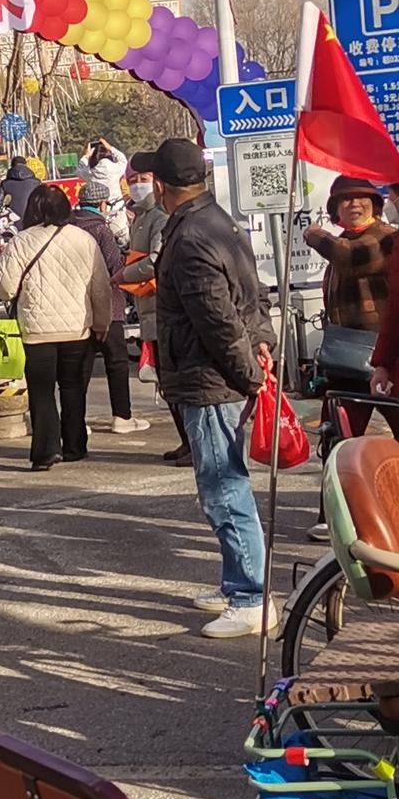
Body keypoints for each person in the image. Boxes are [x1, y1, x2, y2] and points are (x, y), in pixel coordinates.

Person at [151, 138, 269, 639]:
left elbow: (218, 320)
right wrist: (259, 345)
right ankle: (235, 580)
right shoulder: (218, 221)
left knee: (224, 489)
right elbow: (255, 297)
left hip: (210, 380)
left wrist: (250, 374)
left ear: (160, 186)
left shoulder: (191, 237)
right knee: (222, 486)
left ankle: (251, 596)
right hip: (216, 376)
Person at [0, 186, 113, 472]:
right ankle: (75, 445)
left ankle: (46, 451)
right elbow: (100, 287)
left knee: (41, 391)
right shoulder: (83, 239)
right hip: (77, 328)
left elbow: (5, 288)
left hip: (37, 331)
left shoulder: (21, 242)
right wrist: (102, 322)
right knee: (73, 387)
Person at [305, 179, 399, 440]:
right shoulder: (343, 241)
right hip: (345, 361)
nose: (354, 203)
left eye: (362, 197)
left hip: (385, 360)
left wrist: (313, 234)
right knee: (337, 439)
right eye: (346, 199)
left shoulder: (387, 238)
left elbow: (350, 256)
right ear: (335, 209)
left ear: (375, 205)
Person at [124, 151, 189, 464]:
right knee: (167, 382)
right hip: (148, 307)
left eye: (144, 179)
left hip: (162, 308)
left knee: (175, 382)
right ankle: (186, 441)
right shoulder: (140, 216)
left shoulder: (159, 216)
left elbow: (155, 260)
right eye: (133, 180)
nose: (138, 185)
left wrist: (124, 274)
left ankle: (191, 442)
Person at [74, 180, 135, 435]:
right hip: (109, 306)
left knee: (80, 366)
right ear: (102, 204)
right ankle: (122, 417)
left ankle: (77, 420)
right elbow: (114, 267)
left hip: (77, 308)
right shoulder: (101, 230)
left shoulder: (68, 229)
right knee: (117, 362)